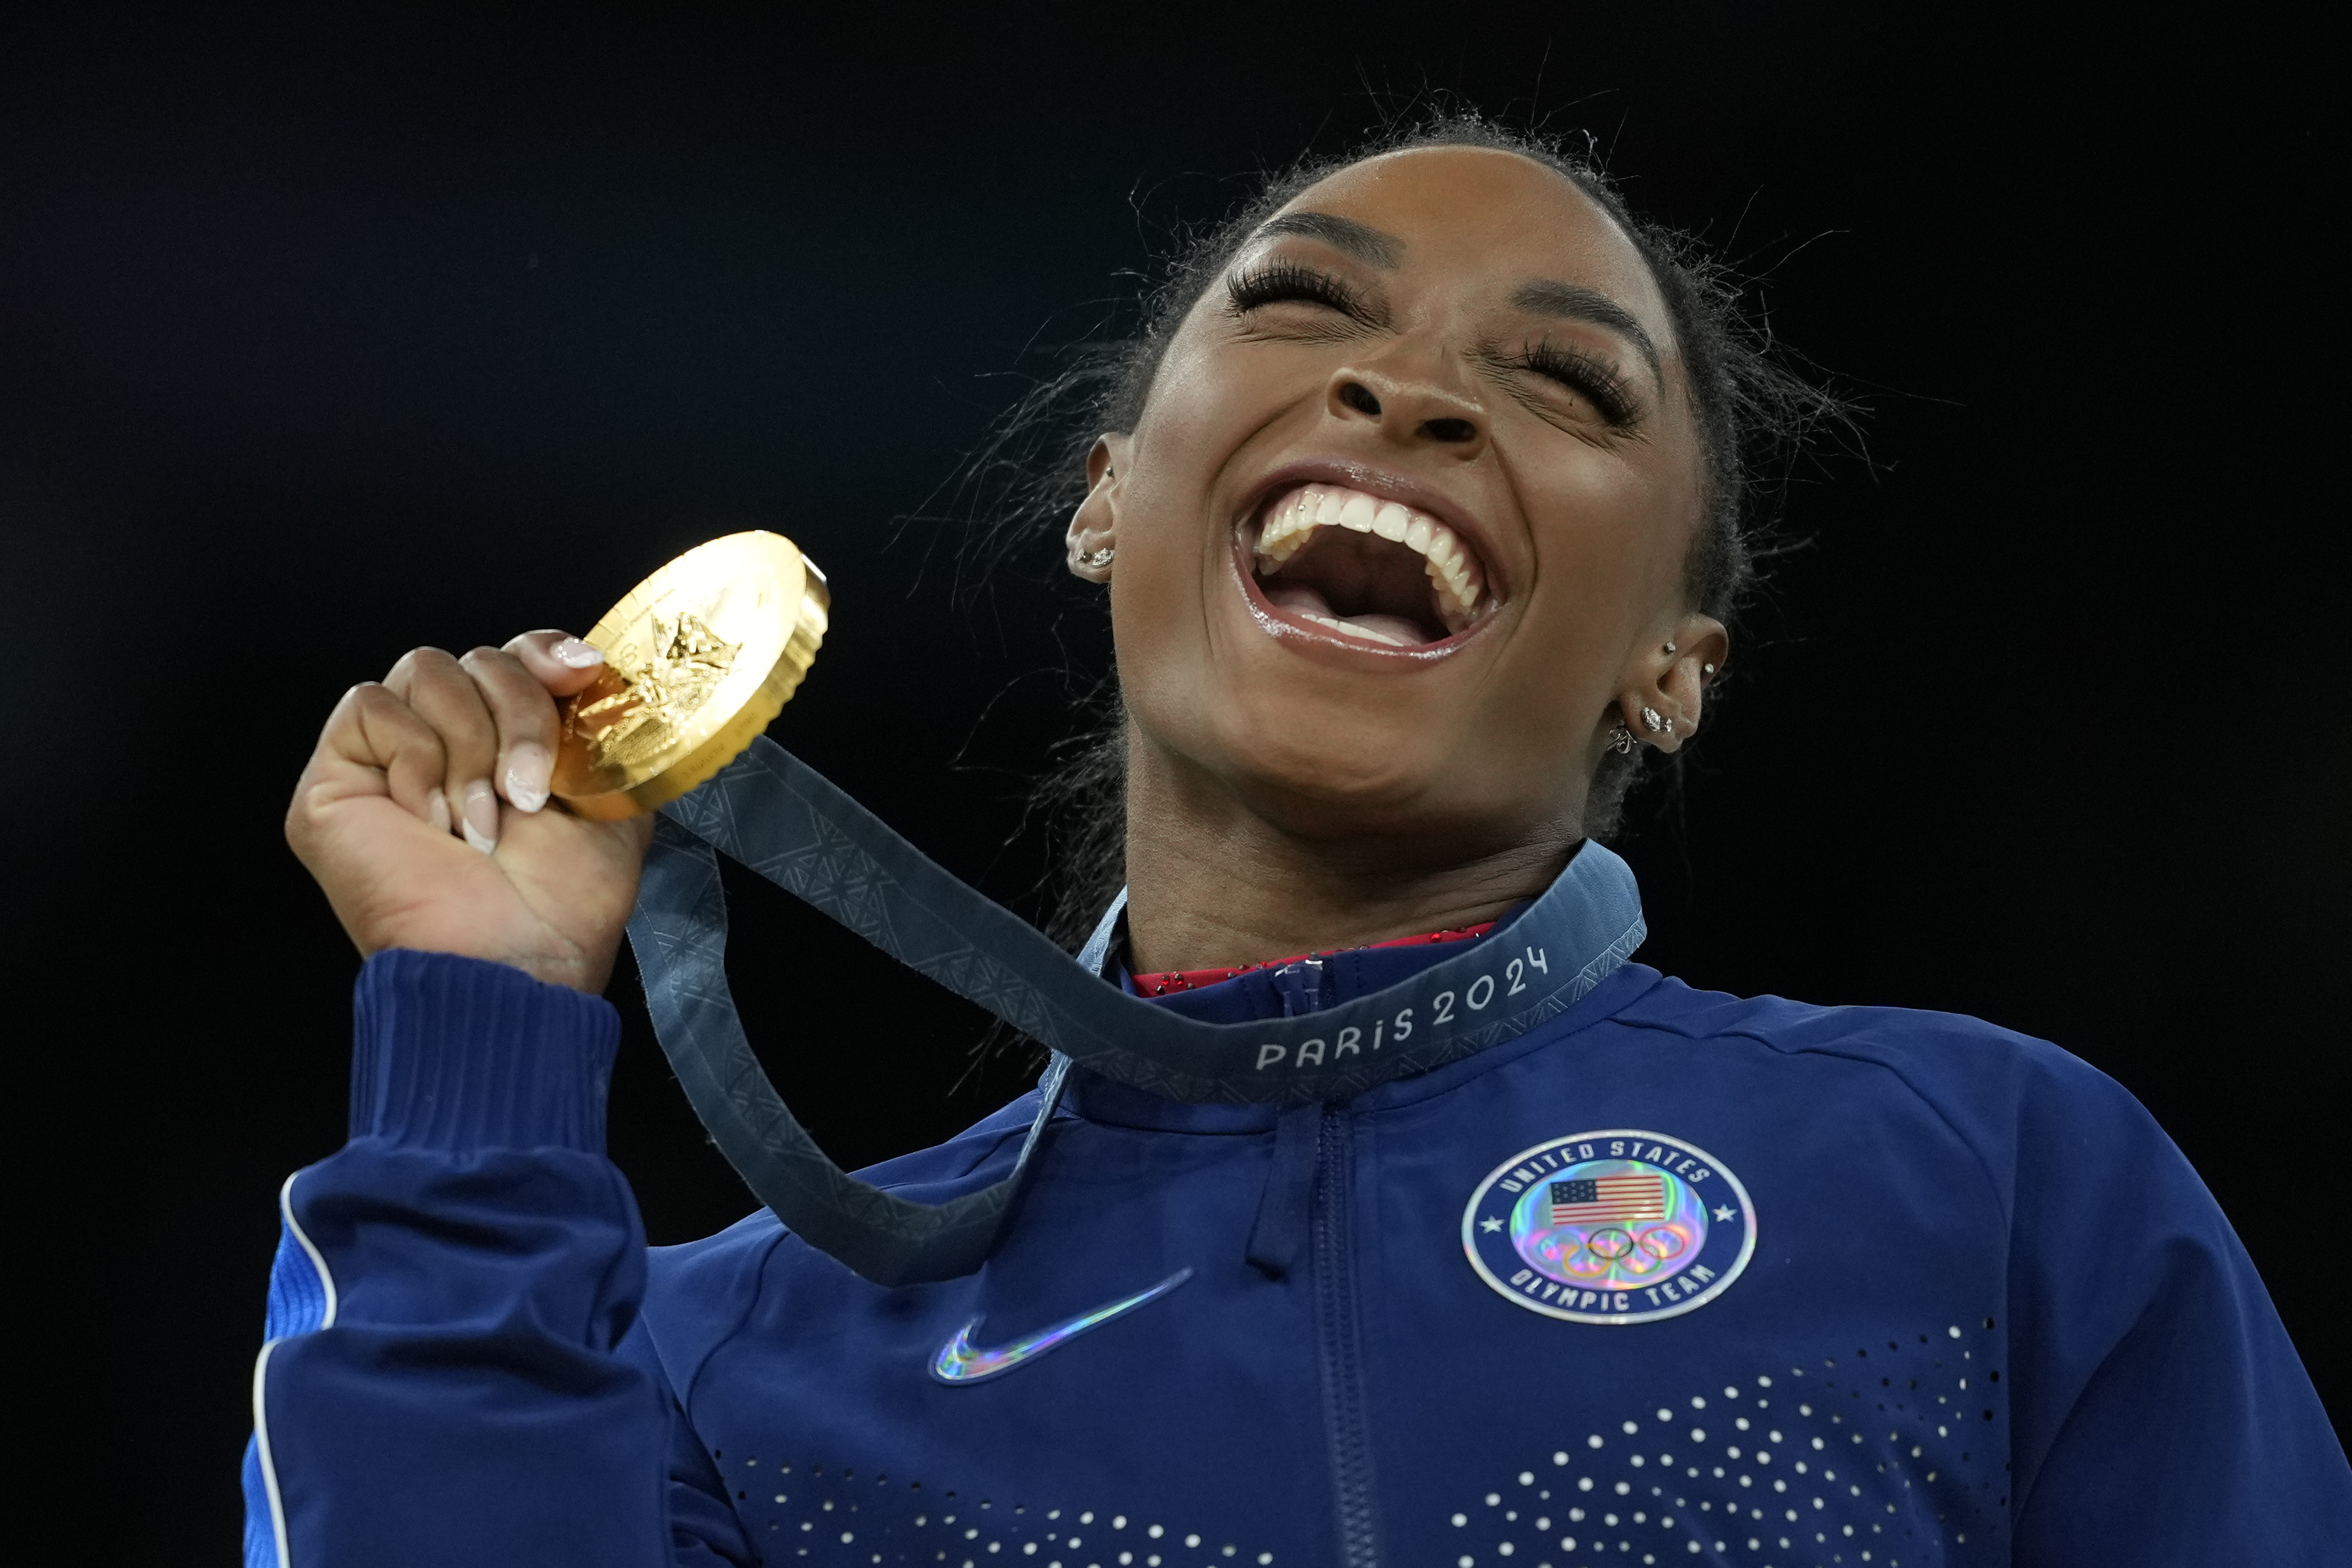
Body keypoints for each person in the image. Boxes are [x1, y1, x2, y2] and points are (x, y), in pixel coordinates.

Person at [252, 117, 2350, 1567]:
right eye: (1300, 309)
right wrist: (478, 1034)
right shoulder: (737, 1359)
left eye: (1565, 385)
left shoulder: (1990, 1183)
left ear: (1671, 667)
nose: (1405, 396)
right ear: (1108, 499)